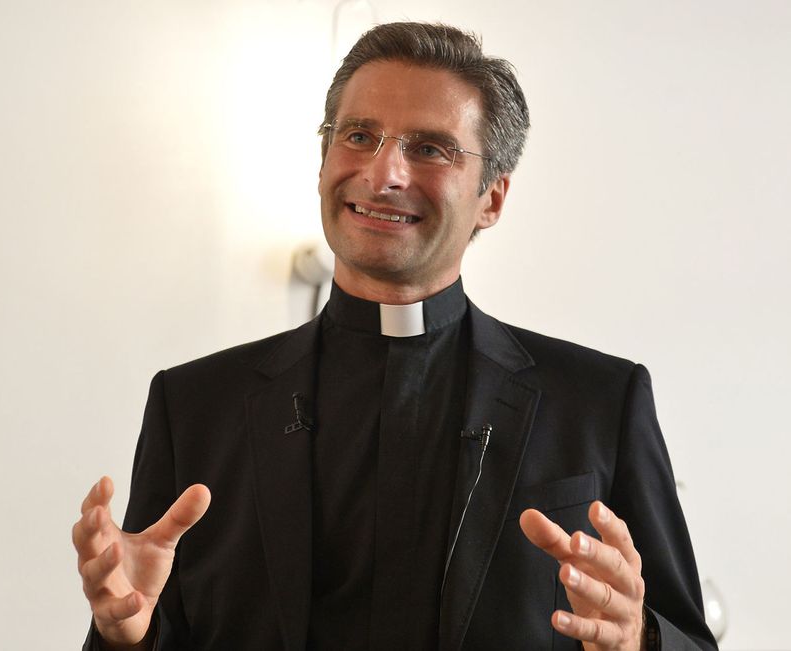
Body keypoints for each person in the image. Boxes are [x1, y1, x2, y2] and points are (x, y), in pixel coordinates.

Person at [72, 22, 717, 651]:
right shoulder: (193, 405)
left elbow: (687, 637)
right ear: (323, 160)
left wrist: (638, 639)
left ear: (492, 198)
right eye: (358, 136)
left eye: (430, 148)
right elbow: (151, 621)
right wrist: (126, 639)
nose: (384, 174)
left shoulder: (599, 402)